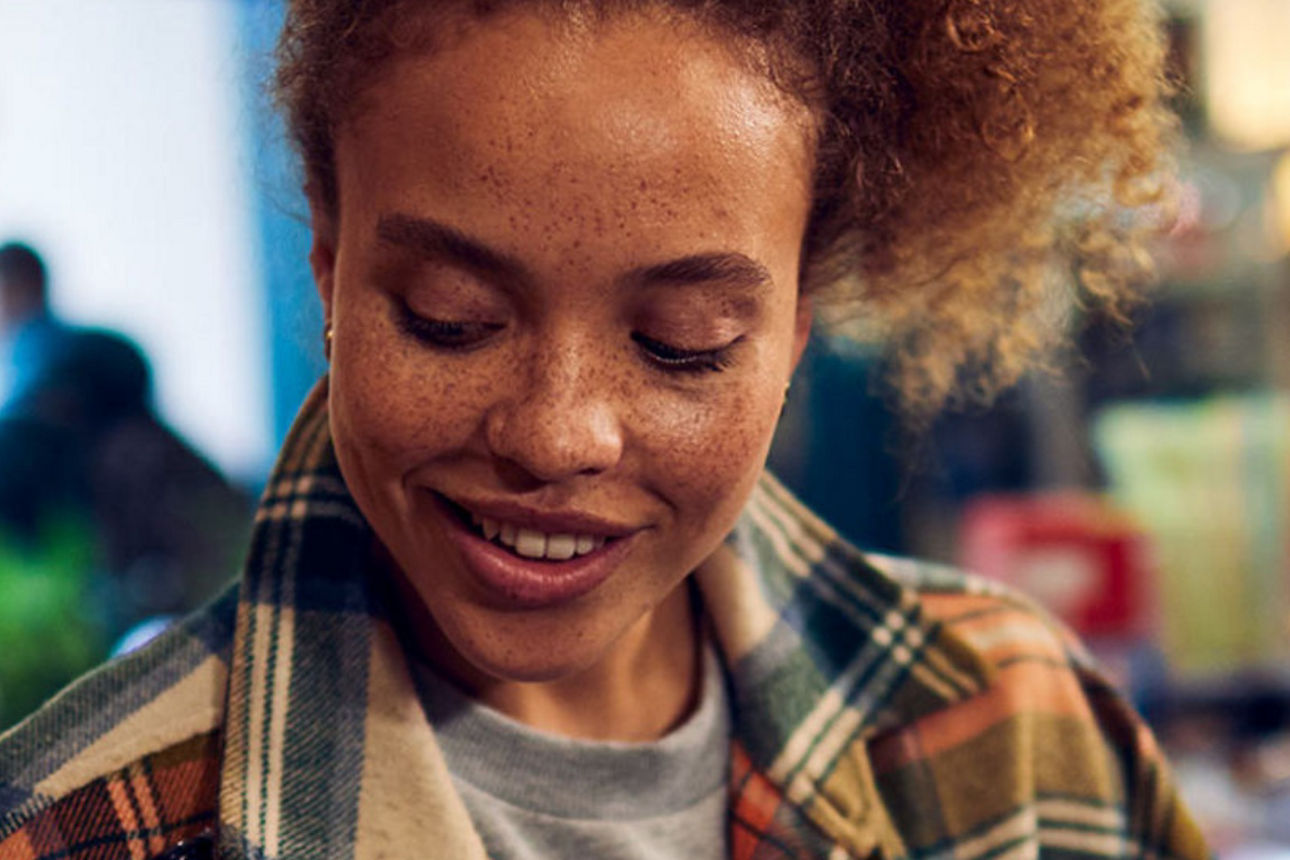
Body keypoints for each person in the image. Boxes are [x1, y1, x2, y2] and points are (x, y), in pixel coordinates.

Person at [0, 1, 1206, 858]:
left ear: (798, 321)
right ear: (326, 256)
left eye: (683, 341)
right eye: (448, 318)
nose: (556, 433)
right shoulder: (82, 824)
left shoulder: (1019, 731)